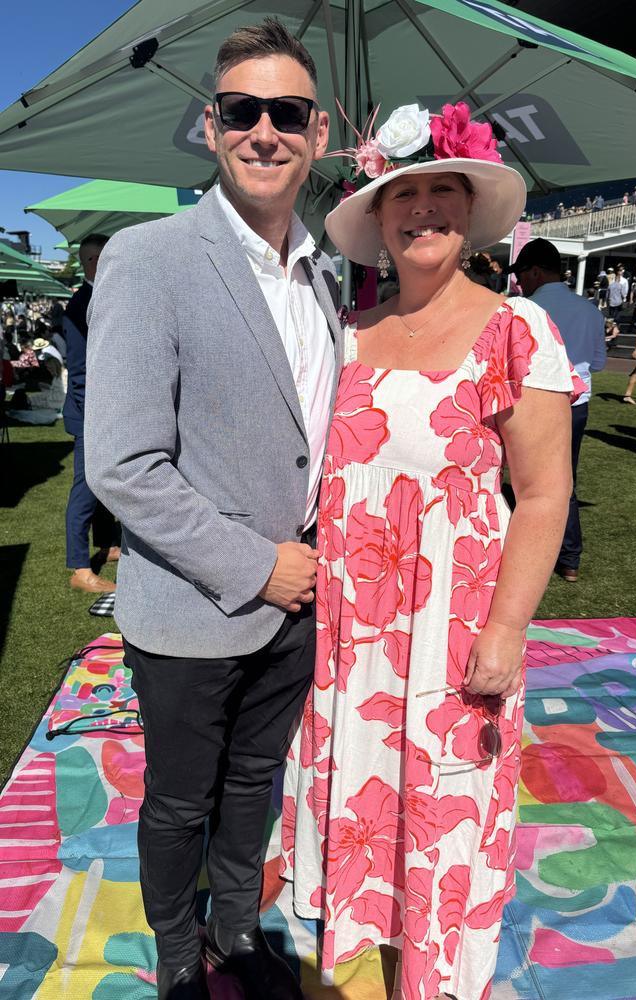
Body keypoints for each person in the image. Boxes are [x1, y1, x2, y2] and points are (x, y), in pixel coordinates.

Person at [283, 100, 581, 1000]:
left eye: (443, 190)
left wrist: (506, 631)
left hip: (453, 632)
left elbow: (544, 495)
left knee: (444, 818)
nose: (423, 208)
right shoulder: (344, 337)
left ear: (471, 210)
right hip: (346, 641)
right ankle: (362, 970)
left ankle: (435, 979)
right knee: (361, 813)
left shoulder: (517, 330)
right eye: (402, 194)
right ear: (376, 218)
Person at [85, 19, 340, 1000]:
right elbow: (123, 463)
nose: (263, 131)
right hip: (198, 604)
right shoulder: (151, 258)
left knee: (253, 785)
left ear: (318, 134)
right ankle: (178, 956)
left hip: (299, 604)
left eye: (286, 113)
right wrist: (255, 564)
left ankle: (235, 932)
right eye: (243, 111)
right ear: (210, 126)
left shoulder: (325, 276)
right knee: (181, 797)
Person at [506, 238, 605, 583]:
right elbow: (598, 363)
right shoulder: (590, 310)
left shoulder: (523, 309)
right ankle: (569, 558)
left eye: (521, 274)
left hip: (531, 401)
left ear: (535, 271)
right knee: (563, 480)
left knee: (526, 483)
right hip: (577, 405)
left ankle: (530, 555)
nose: (520, 282)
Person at [63, 233, 121, 593]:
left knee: (101, 481)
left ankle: (108, 544)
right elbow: (81, 370)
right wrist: (95, 417)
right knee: (85, 487)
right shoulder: (81, 304)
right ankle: (79, 567)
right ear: (92, 263)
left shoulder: (98, 297)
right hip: (90, 413)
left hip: (101, 409)